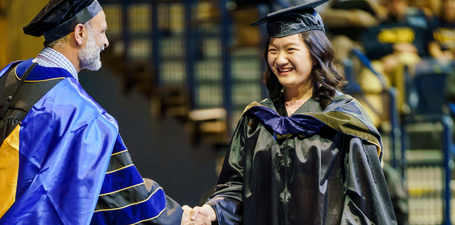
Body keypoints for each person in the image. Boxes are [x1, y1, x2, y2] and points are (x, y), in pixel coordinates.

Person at [181, 0, 397, 224]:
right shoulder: (257, 119)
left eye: (290, 49)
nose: (280, 59)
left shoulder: (344, 118)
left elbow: (362, 204)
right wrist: (213, 210)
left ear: (315, 53)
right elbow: (236, 188)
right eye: (273, 50)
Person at [0, 0, 192, 224]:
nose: (106, 42)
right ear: (80, 33)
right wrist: (177, 216)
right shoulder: (83, 115)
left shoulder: (6, 75)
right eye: (102, 32)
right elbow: (118, 196)